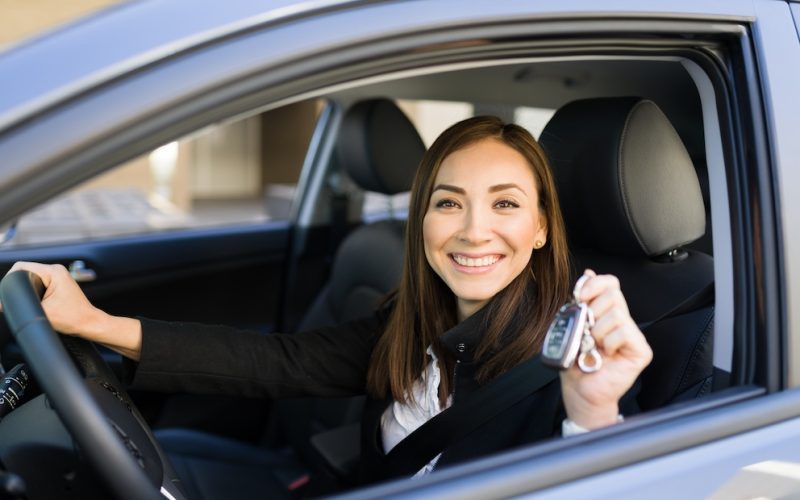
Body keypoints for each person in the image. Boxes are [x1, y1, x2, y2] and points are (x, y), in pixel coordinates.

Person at [5, 116, 652, 486]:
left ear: (541, 227)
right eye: (447, 202)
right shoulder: (414, 321)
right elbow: (277, 362)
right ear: (420, 219)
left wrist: (591, 415)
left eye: (505, 204)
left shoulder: (571, 367)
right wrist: (95, 323)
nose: (472, 230)